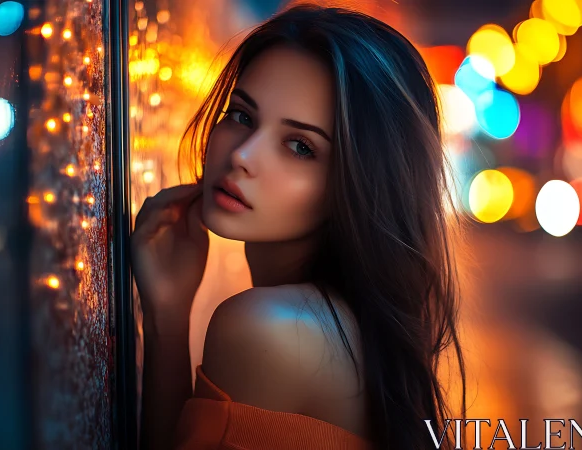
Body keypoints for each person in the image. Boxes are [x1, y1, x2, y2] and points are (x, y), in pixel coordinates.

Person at [131, 4, 467, 450]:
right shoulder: (343, 324)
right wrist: (168, 317)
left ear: (361, 182)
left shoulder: (268, 328)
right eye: (241, 116)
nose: (242, 155)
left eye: (300, 146)